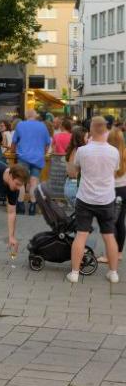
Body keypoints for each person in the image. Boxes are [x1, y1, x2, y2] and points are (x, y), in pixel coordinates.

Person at [66, 116, 120, 284]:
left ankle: (74, 273)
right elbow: (114, 171)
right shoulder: (114, 151)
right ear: (106, 130)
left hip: (85, 198)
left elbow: (74, 170)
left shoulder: (83, 151)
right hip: (106, 199)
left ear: (90, 130)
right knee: (109, 236)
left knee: (81, 235)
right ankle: (113, 273)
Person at [11, 109, 51, 215]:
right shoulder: (43, 126)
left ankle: (20, 206)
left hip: (23, 157)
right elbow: (47, 143)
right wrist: (43, 152)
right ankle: (33, 207)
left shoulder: (20, 125)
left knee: (21, 182)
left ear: (26, 115)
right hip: (38, 158)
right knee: (34, 182)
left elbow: (14, 142)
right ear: (36, 116)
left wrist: (13, 152)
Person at [98, 127, 126, 264]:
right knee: (120, 222)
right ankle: (119, 253)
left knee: (110, 224)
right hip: (124, 189)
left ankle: (110, 255)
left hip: (112, 190)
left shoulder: (108, 154)